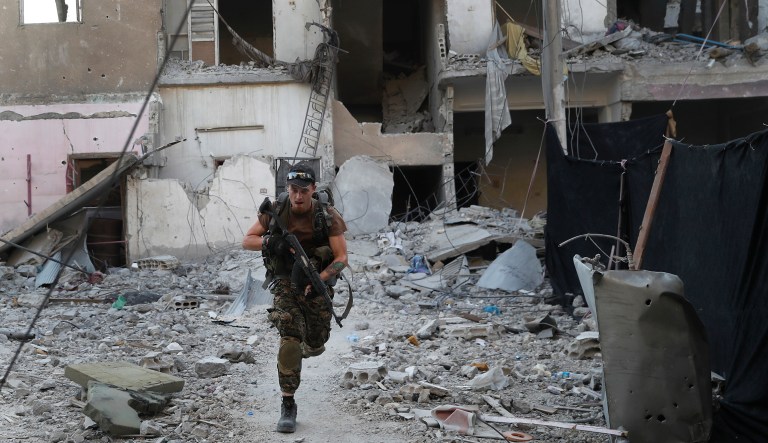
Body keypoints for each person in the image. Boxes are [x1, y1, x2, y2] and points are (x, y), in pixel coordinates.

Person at [242, 161, 348, 433]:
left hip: (315, 281)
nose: (298, 195)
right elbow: (247, 240)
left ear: (313, 189)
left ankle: (306, 344)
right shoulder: (277, 211)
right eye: (293, 189)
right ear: (287, 189)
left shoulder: (327, 215)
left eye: (303, 190)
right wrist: (271, 242)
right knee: (289, 331)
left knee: (316, 340)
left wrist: (321, 279)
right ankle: (288, 403)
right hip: (285, 281)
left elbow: (341, 258)